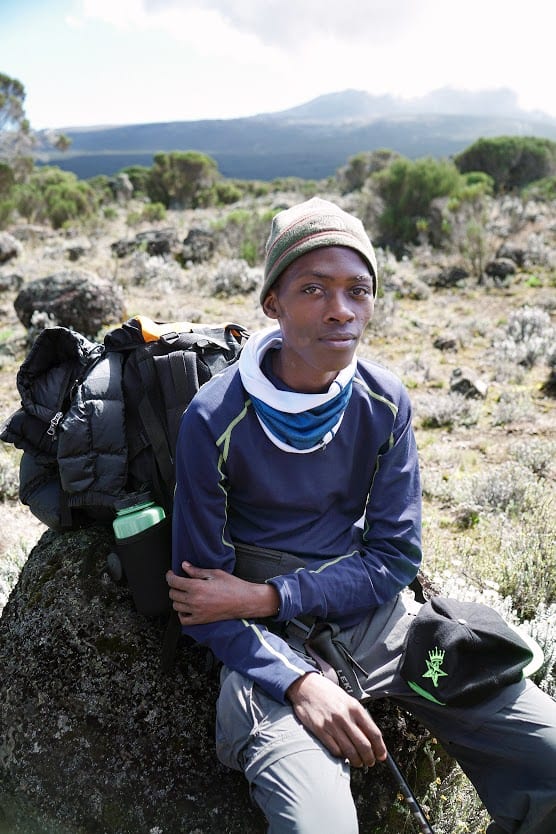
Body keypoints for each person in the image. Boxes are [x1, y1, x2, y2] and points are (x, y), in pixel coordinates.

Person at [167, 197, 556, 834]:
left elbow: (396, 560)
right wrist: (299, 684)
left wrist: (270, 595)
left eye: (358, 289)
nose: (340, 310)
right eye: (313, 288)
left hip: (383, 628)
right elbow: (202, 601)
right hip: (270, 653)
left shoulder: (383, 401)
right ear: (274, 303)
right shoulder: (214, 418)